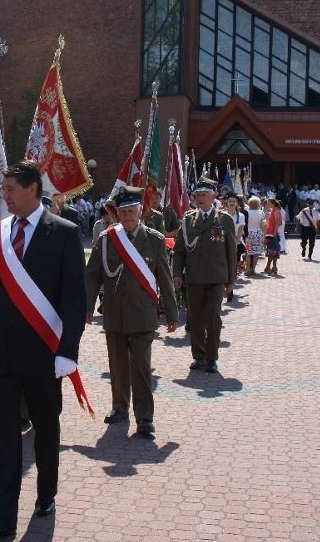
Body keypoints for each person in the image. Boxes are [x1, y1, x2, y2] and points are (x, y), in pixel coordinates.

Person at [0, 161, 86, 541]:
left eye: (10, 188)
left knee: (46, 430)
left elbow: (74, 299)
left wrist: (68, 352)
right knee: (4, 436)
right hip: (2, 356)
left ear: (33, 189)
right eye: (3, 188)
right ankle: (0, 522)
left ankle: (46, 493)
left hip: (45, 355)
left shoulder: (65, 233)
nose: (4, 194)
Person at [85, 186, 178, 435]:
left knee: (141, 367)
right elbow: (92, 275)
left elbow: (165, 278)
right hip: (114, 313)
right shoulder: (106, 240)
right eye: (123, 212)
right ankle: (120, 407)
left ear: (140, 212)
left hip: (143, 314)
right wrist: (87, 306)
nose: (127, 217)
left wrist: (171, 313)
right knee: (117, 365)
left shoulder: (155, 240)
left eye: (131, 212)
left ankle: (145, 417)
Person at [172, 177, 237, 374]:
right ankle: (199, 356)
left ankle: (212, 357)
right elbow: (180, 251)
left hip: (217, 277)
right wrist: (177, 273)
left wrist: (231, 279)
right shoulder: (188, 220)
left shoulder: (224, 220)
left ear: (213, 196)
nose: (200, 198)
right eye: (197, 195)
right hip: (194, 278)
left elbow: (231, 251)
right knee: (195, 318)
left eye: (204, 194)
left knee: (213, 317)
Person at [244, 196, 264, 275]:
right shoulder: (261, 212)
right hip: (258, 233)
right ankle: (253, 269)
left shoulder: (247, 212)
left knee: (248, 252)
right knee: (256, 253)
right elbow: (263, 224)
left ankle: (248, 268)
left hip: (249, 233)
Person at [262, 198, 282, 275]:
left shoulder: (276, 211)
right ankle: (272, 267)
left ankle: (269, 267)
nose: (268, 204)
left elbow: (278, 223)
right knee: (272, 251)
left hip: (273, 233)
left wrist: (274, 234)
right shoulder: (273, 210)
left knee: (272, 251)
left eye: (269, 203)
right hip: (270, 232)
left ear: (273, 203)